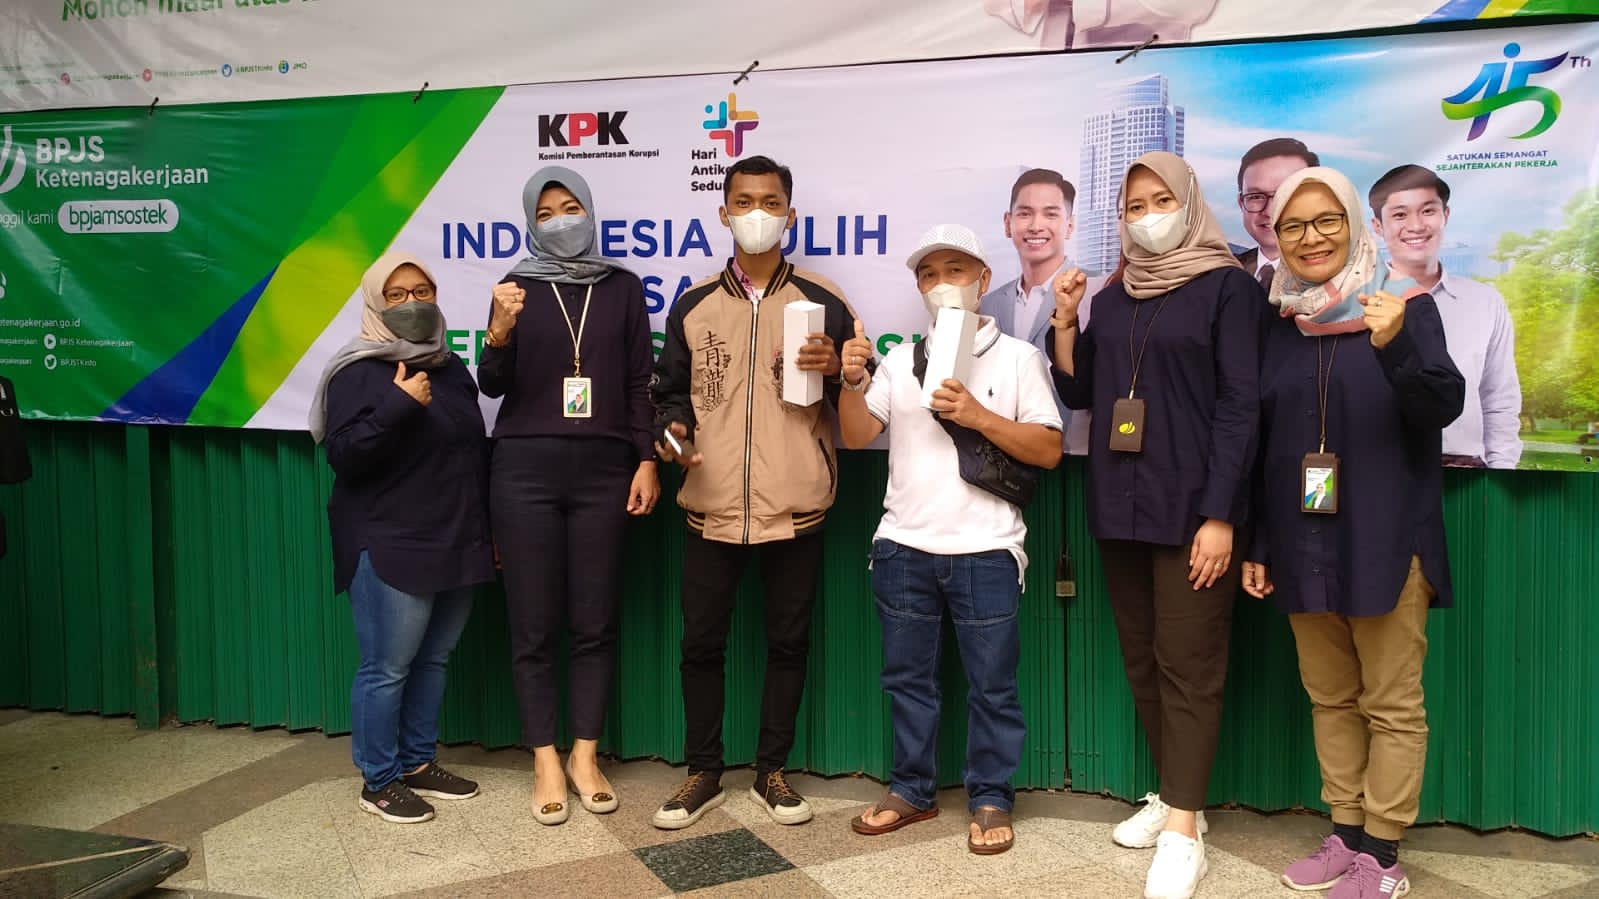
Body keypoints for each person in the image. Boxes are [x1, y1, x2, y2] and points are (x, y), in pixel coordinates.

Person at [1243, 166, 1464, 899]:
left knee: (1391, 703)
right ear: (1276, 237)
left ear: (1353, 225)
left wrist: (1395, 343)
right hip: (1301, 540)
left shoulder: (1402, 305)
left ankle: (1383, 853)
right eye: (1293, 226)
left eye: (1325, 220)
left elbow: (1442, 405)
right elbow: (1264, 439)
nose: (1310, 238)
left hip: (1386, 535)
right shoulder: (1280, 320)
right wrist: (1259, 543)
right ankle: (1343, 834)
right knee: (1330, 696)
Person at [1049, 151, 1261, 899]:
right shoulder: (1115, 297)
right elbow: (1081, 390)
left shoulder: (1229, 288)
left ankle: (1183, 831)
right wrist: (1066, 319)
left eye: (1161, 201)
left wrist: (1220, 515)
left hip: (1192, 508)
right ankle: (1175, 798)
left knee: (1188, 665)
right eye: (1133, 206)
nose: (1147, 217)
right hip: (1120, 503)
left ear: (1190, 203)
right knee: (1142, 659)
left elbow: (1241, 406)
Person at [649, 155, 859, 831]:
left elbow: (862, 392)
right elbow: (668, 395)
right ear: (724, 213)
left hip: (795, 504)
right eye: (743, 202)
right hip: (710, 504)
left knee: (788, 643)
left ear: (789, 215)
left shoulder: (823, 302)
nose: (756, 214)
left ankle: (772, 771)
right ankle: (703, 772)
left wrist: (839, 369)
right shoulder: (693, 304)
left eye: (770, 202)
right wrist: (672, 432)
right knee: (700, 646)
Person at [839, 224, 1063, 855]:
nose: (942, 284)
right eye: (929, 274)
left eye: (956, 271)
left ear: (983, 280)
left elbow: (1049, 447)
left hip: (987, 550)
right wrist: (851, 382)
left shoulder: (1017, 357)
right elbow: (856, 435)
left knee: (993, 687)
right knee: (907, 679)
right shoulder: (899, 359)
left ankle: (991, 797)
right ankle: (911, 789)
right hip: (903, 546)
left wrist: (978, 416)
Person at [478, 167, 661, 826]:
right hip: (522, 470)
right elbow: (491, 384)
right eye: (547, 212)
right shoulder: (514, 287)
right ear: (531, 220)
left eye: (571, 206)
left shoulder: (622, 287)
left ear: (590, 210)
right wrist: (499, 331)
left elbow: (639, 380)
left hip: (605, 471)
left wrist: (646, 458)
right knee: (532, 624)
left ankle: (585, 754)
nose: (561, 220)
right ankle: (545, 760)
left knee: (594, 619)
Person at [310, 252, 495, 825]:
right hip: (391, 541)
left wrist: (485, 532)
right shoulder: (357, 371)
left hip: (454, 537)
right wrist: (397, 406)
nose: (412, 303)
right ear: (375, 304)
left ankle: (417, 762)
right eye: (396, 295)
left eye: (422, 291)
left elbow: (470, 453)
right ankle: (379, 779)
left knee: (433, 659)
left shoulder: (450, 366)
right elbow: (344, 454)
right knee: (387, 667)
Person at [1368, 164, 1522, 469]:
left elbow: (1498, 399)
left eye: (1428, 211)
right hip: (1385, 471)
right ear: (1378, 226)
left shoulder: (1484, 301)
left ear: (1445, 215)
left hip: (1467, 470)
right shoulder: (1359, 302)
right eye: (1399, 215)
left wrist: (1501, 470)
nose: (1415, 225)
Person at [982, 168, 1086, 453]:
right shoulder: (988, 305)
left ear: (1069, 225)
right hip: (1000, 454)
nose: (1036, 226)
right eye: (1025, 214)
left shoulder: (1093, 294)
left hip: (1069, 455)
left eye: (1051, 214)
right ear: (1008, 223)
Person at [1235, 138, 1320, 290]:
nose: (1270, 211)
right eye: (1256, 197)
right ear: (1241, 203)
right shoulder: (1223, 273)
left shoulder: (1348, 281)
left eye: (1286, 194)